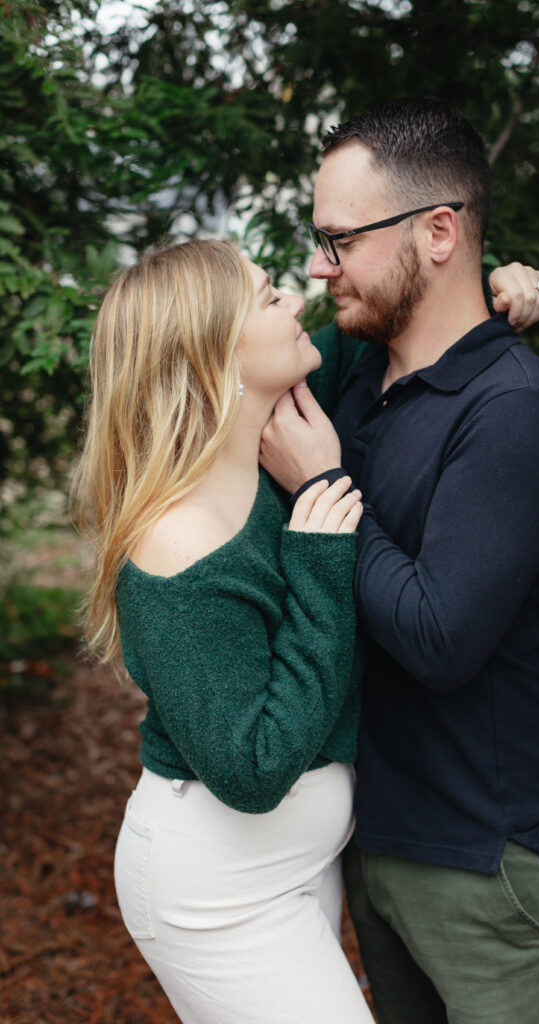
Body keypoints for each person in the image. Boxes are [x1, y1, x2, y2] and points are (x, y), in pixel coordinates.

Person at [259, 97, 539, 1024]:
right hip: (377, 844)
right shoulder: (358, 377)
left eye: (340, 240)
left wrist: (318, 487)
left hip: (488, 864)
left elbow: (441, 638)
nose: (319, 265)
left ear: (439, 231)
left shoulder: (516, 410)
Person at [71, 237, 375, 1024]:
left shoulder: (274, 425)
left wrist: (490, 282)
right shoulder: (176, 545)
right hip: (217, 896)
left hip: (292, 865)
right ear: (214, 351)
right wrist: (319, 556)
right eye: (270, 296)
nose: (296, 300)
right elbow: (252, 770)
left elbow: (394, 321)